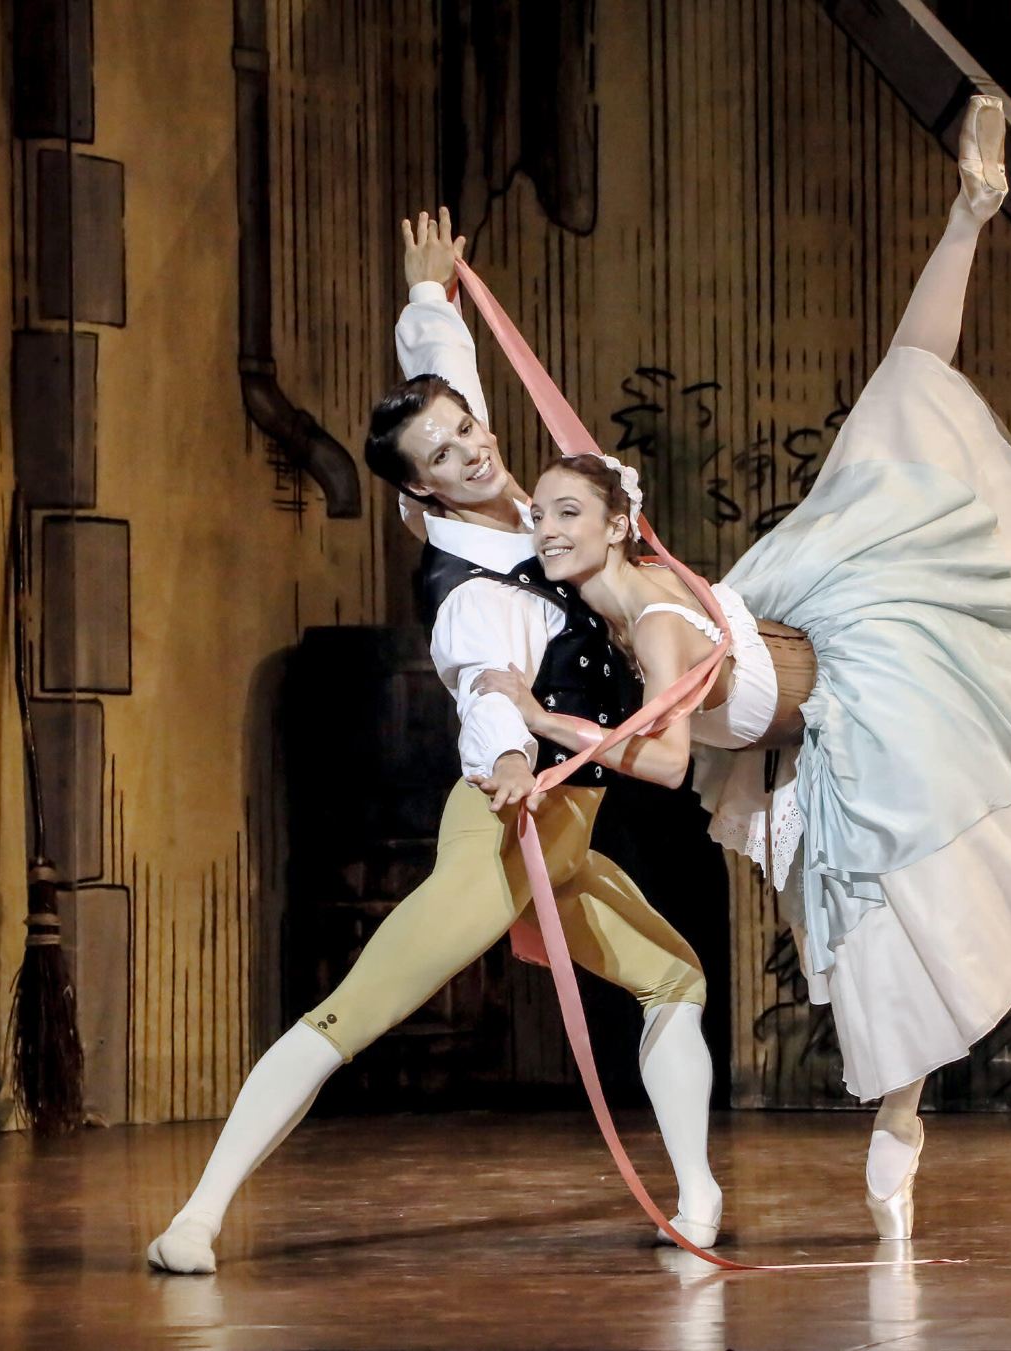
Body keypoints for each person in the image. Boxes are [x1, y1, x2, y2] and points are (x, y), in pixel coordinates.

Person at [475, 96, 1011, 1241]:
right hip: (796, 692)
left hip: (865, 681)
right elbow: (511, 504)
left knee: (900, 404)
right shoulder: (623, 591)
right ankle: (967, 215)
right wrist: (446, 313)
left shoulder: (656, 622)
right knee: (892, 398)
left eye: (565, 514)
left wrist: (538, 721)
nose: (546, 530)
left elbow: (662, 762)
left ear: (615, 526)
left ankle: (970, 214)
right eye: (544, 519)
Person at [146, 211, 723, 1274]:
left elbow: (451, 377)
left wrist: (428, 302)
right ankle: (196, 1216)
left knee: (672, 981)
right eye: (444, 456)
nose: (471, 450)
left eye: (467, 431)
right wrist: (507, 759)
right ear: (418, 492)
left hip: (564, 835)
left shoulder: (529, 501)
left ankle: (694, 1199)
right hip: (507, 826)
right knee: (354, 1008)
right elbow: (485, 689)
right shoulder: (470, 586)